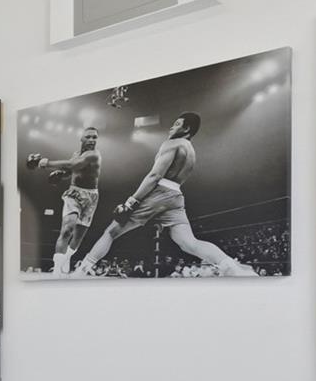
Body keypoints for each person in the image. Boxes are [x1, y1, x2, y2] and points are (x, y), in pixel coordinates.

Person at [72, 112, 255, 277]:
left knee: (111, 232)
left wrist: (131, 202)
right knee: (189, 243)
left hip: (159, 192)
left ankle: (81, 271)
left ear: (187, 129)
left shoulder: (171, 143)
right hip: (176, 196)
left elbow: (155, 176)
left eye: (177, 124)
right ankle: (232, 267)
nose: (171, 127)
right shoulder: (191, 150)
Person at [26, 127, 101, 274]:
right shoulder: (76, 154)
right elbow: (70, 171)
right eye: (88, 137)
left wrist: (46, 163)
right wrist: (60, 174)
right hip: (74, 194)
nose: (92, 140)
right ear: (81, 138)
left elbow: (74, 165)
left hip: (91, 197)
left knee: (77, 238)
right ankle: (57, 271)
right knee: (67, 230)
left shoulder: (94, 155)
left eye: (94, 137)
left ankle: (66, 259)